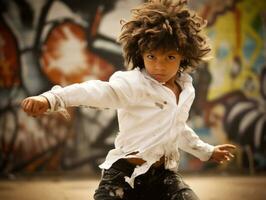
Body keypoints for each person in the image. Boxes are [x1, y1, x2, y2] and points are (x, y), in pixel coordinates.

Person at [21, 0, 236, 199]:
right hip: (123, 176)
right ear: (140, 53)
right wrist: (51, 98)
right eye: (151, 56)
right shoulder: (133, 84)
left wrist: (208, 152)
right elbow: (94, 91)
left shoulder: (186, 89)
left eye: (169, 57)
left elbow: (178, 130)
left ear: (183, 57)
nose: (159, 66)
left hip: (164, 176)